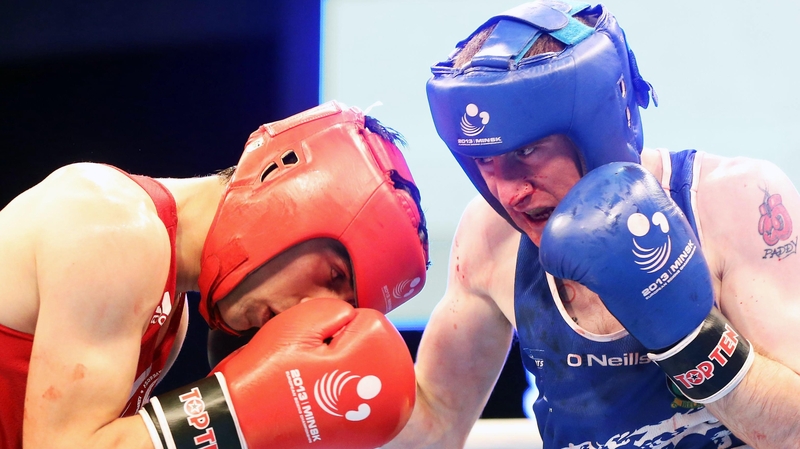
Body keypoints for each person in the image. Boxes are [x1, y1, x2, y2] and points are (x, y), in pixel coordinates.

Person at [386, 1, 800, 448]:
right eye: (485, 160)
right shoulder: (489, 236)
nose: (510, 194)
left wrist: (689, 337)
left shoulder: (731, 201)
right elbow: (435, 424)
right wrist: (329, 392)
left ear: (596, 127)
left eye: (527, 152)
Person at [0, 100, 430, 449]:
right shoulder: (112, 225)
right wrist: (235, 413)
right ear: (288, 186)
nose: (310, 313)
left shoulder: (172, 317)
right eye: (334, 276)